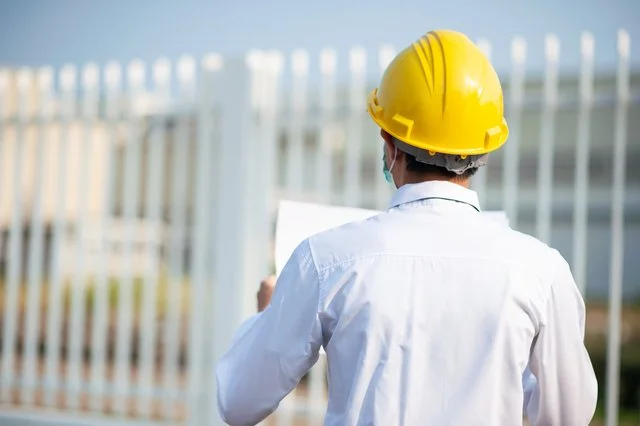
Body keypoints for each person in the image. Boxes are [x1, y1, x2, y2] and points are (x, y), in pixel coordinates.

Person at [216, 29, 598, 425]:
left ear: (390, 142)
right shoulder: (540, 272)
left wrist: (268, 316)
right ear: (483, 151)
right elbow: (567, 416)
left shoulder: (326, 261)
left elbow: (238, 401)